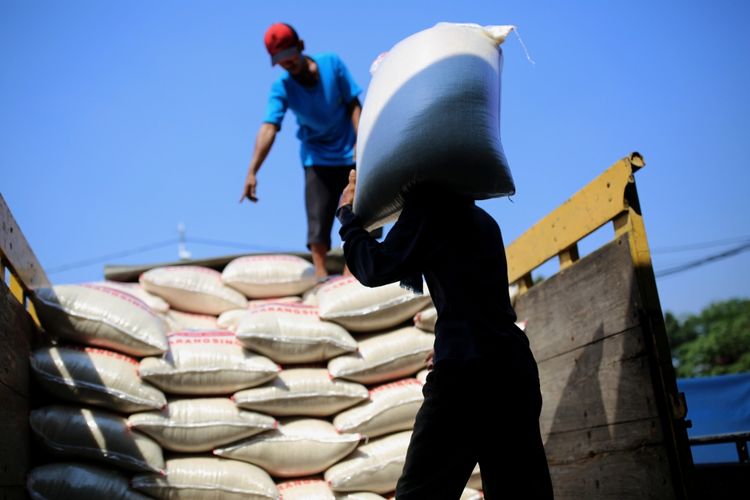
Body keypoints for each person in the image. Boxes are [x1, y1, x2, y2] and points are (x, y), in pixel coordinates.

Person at [337, 170, 554, 499]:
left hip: (467, 380)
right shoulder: (484, 222)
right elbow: (476, 304)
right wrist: (449, 344)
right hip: (514, 371)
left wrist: (348, 217)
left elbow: (375, 265)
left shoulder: (428, 207)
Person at [240, 22, 363, 278]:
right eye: (280, 61)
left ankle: (352, 275)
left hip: (351, 154)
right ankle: (320, 278)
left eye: (290, 56)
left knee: (362, 212)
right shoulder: (282, 88)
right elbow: (269, 128)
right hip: (316, 158)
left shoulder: (332, 63)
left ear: (302, 46)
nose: (287, 64)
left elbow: (354, 104)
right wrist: (252, 171)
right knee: (318, 224)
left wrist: (362, 145)